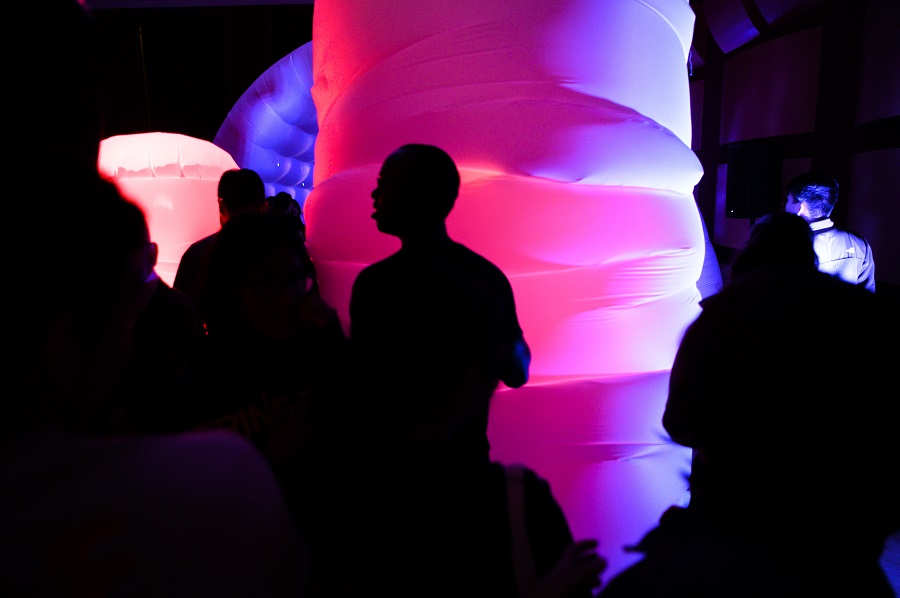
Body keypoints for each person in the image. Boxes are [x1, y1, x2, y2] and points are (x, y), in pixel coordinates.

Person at [597, 219, 900, 596]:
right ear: (806, 253)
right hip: (841, 540)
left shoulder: (721, 317)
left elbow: (678, 422)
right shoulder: (864, 316)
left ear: (750, 253)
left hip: (736, 527)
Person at [348, 143, 531, 464]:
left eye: (385, 183)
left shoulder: (376, 284)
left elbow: (361, 387)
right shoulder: (484, 276)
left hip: (392, 467)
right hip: (465, 465)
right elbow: (517, 372)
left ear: (419, 195)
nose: (374, 195)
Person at [173, 167, 268, 319]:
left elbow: (180, 317)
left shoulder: (198, 255)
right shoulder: (286, 253)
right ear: (264, 207)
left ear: (221, 207)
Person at [784, 170, 876, 291]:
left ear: (800, 207)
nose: (785, 206)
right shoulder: (859, 242)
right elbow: (868, 292)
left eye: (788, 200)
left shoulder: (788, 245)